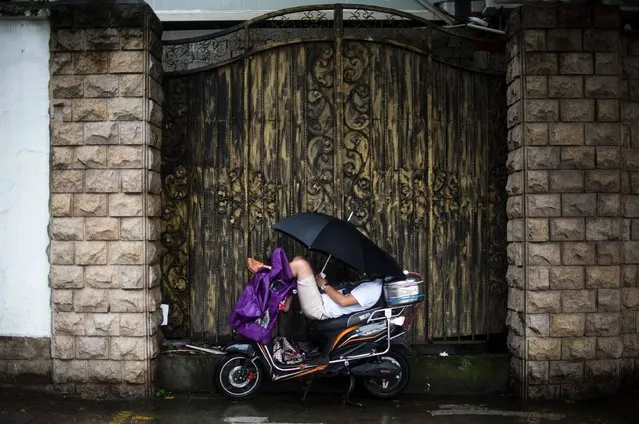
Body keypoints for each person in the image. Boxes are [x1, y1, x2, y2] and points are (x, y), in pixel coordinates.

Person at [246, 256, 383, 320]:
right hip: (321, 296)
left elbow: (343, 302)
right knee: (298, 259)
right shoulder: (372, 282)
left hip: (320, 308)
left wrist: (324, 284)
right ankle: (286, 302)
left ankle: (265, 269)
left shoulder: (372, 289)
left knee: (300, 265)